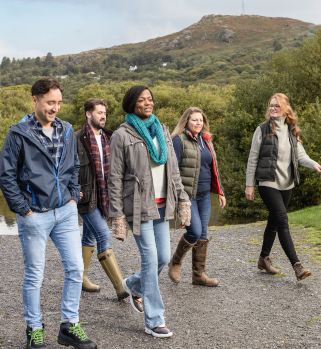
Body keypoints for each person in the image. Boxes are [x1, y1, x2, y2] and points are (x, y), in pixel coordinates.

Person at [0, 78, 96, 349]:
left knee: (76, 268)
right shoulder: (18, 133)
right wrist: (24, 209)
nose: (55, 108)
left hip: (65, 212)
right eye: (50, 102)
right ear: (35, 100)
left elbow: (74, 165)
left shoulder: (66, 129)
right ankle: (34, 328)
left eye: (59, 103)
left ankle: (69, 326)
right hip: (34, 215)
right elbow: (5, 177)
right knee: (34, 275)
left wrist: (73, 197)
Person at [108, 85, 191, 339]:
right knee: (150, 258)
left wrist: (183, 199)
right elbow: (115, 178)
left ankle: (133, 285)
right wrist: (118, 214)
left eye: (150, 99)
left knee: (164, 258)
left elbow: (173, 169)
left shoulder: (162, 130)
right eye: (142, 100)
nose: (148, 103)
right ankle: (154, 320)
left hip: (162, 205)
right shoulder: (121, 135)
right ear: (132, 104)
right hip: (138, 207)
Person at [245, 93, 321, 281]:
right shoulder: (263, 129)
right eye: (271, 106)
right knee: (282, 220)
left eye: (276, 106)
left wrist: (315, 165)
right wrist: (250, 185)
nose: (272, 109)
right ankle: (297, 265)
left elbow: (301, 155)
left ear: (286, 108)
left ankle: (263, 258)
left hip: (286, 183)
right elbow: (252, 159)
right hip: (268, 182)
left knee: (273, 221)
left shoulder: (292, 130)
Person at [75, 98, 127, 299]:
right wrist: (73, 189)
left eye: (104, 112)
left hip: (105, 196)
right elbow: (68, 167)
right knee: (104, 235)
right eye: (99, 112)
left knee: (89, 236)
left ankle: (80, 278)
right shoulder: (77, 138)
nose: (103, 116)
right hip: (86, 197)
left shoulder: (110, 137)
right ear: (88, 114)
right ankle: (121, 288)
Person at [168, 107, 225, 286]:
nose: (198, 123)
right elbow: (173, 169)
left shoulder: (206, 140)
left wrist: (220, 191)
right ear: (186, 122)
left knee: (204, 234)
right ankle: (175, 262)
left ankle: (198, 275)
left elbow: (213, 168)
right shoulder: (178, 140)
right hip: (187, 196)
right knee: (194, 231)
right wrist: (178, 197)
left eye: (201, 120)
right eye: (194, 120)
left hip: (205, 194)